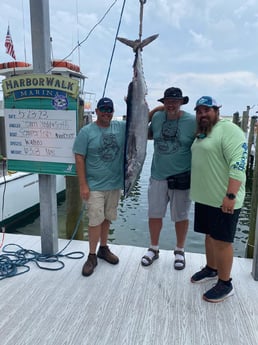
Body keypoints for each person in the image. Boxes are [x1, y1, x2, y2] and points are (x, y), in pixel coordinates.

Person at [190, 96, 247, 303]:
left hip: (224, 199)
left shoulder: (229, 130)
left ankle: (225, 283)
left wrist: (231, 195)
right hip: (206, 199)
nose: (202, 114)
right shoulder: (203, 132)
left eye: (207, 110)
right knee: (209, 236)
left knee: (222, 241)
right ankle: (211, 269)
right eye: (199, 111)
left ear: (216, 110)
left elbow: (238, 165)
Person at [141, 87, 196, 269]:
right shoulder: (157, 118)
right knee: (154, 214)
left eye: (175, 101)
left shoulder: (192, 121)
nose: (171, 104)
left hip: (181, 177)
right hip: (158, 175)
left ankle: (179, 250)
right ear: (163, 103)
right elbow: (141, 129)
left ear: (181, 102)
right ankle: (153, 248)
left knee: (181, 216)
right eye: (167, 101)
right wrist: (155, 110)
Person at [73, 97, 126, 277]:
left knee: (107, 218)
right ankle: (92, 255)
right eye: (103, 109)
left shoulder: (120, 127)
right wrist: (83, 185)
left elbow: (141, 123)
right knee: (95, 220)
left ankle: (104, 248)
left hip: (114, 184)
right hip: (94, 185)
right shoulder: (86, 132)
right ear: (96, 111)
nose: (106, 113)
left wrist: (155, 108)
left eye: (109, 110)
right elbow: (79, 157)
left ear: (113, 112)